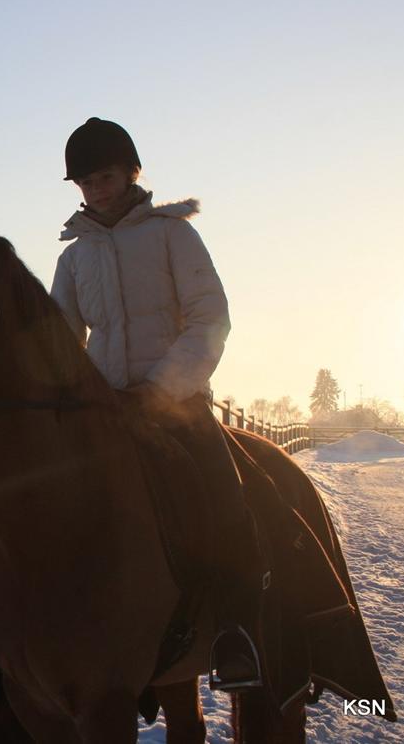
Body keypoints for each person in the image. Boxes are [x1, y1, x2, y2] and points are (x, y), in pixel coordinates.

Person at [50, 117, 264, 692]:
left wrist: (161, 391)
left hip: (176, 405)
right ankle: (9, 641)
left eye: (107, 176)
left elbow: (209, 317)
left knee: (224, 501)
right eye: (86, 182)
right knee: (37, 498)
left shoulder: (173, 234)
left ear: (131, 173)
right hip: (105, 411)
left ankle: (237, 630)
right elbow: (60, 343)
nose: (97, 190)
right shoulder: (73, 260)